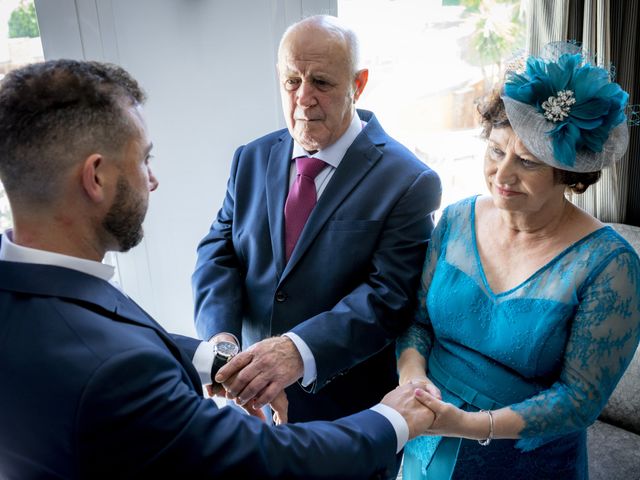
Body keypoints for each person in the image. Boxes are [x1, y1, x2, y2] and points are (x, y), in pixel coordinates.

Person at [0, 59, 439, 479]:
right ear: (95, 178)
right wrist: (392, 419)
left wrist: (214, 359)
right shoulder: (121, 373)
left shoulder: (34, 290)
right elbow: (267, 458)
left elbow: (98, 331)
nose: (152, 180)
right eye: (143, 159)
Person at [396, 44, 640, 479]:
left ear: (569, 174)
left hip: (523, 462)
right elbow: (417, 322)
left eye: (526, 162)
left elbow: (580, 399)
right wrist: (413, 380)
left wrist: (471, 425)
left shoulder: (610, 265)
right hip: (425, 442)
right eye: (495, 151)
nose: (502, 175)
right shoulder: (455, 219)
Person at [192, 14, 441, 424]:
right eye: (292, 81)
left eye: (321, 83)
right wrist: (222, 341)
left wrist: (297, 350)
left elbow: (388, 297)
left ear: (357, 84)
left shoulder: (409, 180)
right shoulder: (251, 157)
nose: (303, 98)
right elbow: (219, 252)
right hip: (248, 398)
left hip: (345, 411)